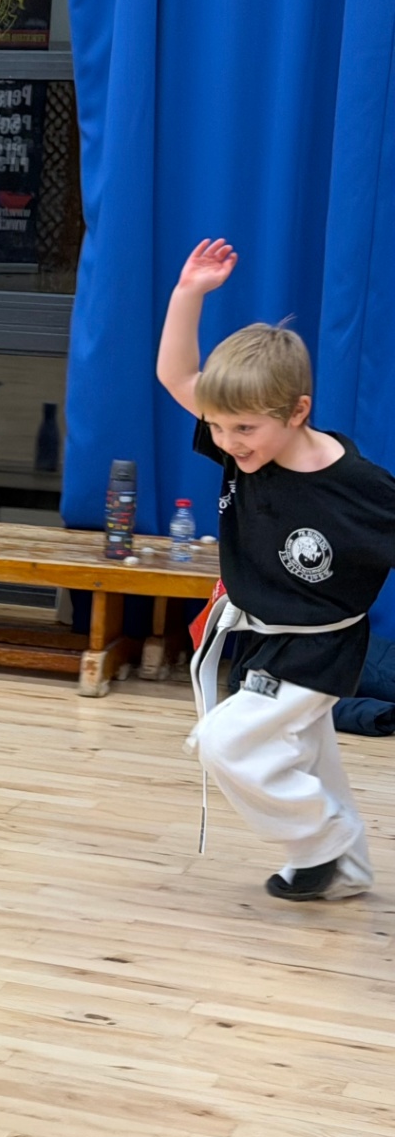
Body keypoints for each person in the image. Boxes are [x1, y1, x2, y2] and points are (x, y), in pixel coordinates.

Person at [158, 237, 395, 900]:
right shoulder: (244, 441)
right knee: (312, 757)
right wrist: (189, 295)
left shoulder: (359, 489)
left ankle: (324, 843)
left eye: (244, 431)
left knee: (225, 743)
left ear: (298, 411)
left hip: (316, 646)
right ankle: (345, 873)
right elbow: (178, 377)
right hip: (262, 630)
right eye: (220, 428)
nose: (228, 445)